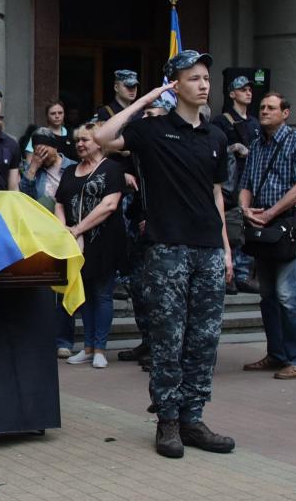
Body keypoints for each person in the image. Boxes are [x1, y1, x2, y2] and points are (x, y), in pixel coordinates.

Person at [95, 50, 234, 459]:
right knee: (167, 340)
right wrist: (147, 98)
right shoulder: (152, 132)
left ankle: (193, 418)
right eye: (193, 78)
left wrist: (226, 249)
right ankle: (168, 421)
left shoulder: (216, 136)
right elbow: (103, 138)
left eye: (206, 77)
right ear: (175, 85)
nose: (204, 84)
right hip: (167, 249)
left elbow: (216, 197)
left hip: (208, 249)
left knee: (203, 341)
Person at [238, 93, 296, 380]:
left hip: (285, 226)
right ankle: (277, 354)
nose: (265, 111)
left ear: (286, 112)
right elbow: (245, 184)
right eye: (262, 108)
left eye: (271, 108)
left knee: (287, 296)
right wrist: (246, 209)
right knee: (267, 295)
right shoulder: (256, 144)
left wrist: (270, 213)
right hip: (260, 226)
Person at [54, 122, 124, 368]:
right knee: (85, 295)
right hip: (76, 242)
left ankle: (100, 349)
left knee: (102, 293)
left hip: (103, 241)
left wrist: (78, 230)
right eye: (78, 141)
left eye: (85, 140)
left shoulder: (113, 169)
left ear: (99, 142)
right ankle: (87, 346)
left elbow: (109, 205)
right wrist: (65, 230)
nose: (80, 145)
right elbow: (60, 201)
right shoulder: (71, 170)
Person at [118, 95, 176, 369]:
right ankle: (148, 341)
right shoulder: (139, 148)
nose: (148, 121)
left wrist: (154, 218)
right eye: (146, 116)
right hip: (139, 226)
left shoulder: (174, 149)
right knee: (139, 287)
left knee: (163, 292)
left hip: (166, 230)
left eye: (155, 116)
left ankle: (164, 349)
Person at [19, 127, 77, 358]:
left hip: (67, 232)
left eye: (46, 150)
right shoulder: (35, 169)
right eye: (38, 150)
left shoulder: (71, 166)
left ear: (55, 147)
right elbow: (23, 197)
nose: (43, 155)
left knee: (64, 290)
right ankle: (41, 339)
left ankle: (64, 340)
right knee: (41, 289)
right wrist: (32, 167)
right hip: (40, 236)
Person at [212, 76, 261, 295]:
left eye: (250, 89)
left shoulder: (254, 123)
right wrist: (233, 148)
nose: (248, 92)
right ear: (232, 94)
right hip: (229, 184)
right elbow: (214, 148)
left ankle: (243, 274)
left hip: (249, 182)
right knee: (230, 228)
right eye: (242, 89)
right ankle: (227, 274)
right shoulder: (221, 121)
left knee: (247, 226)